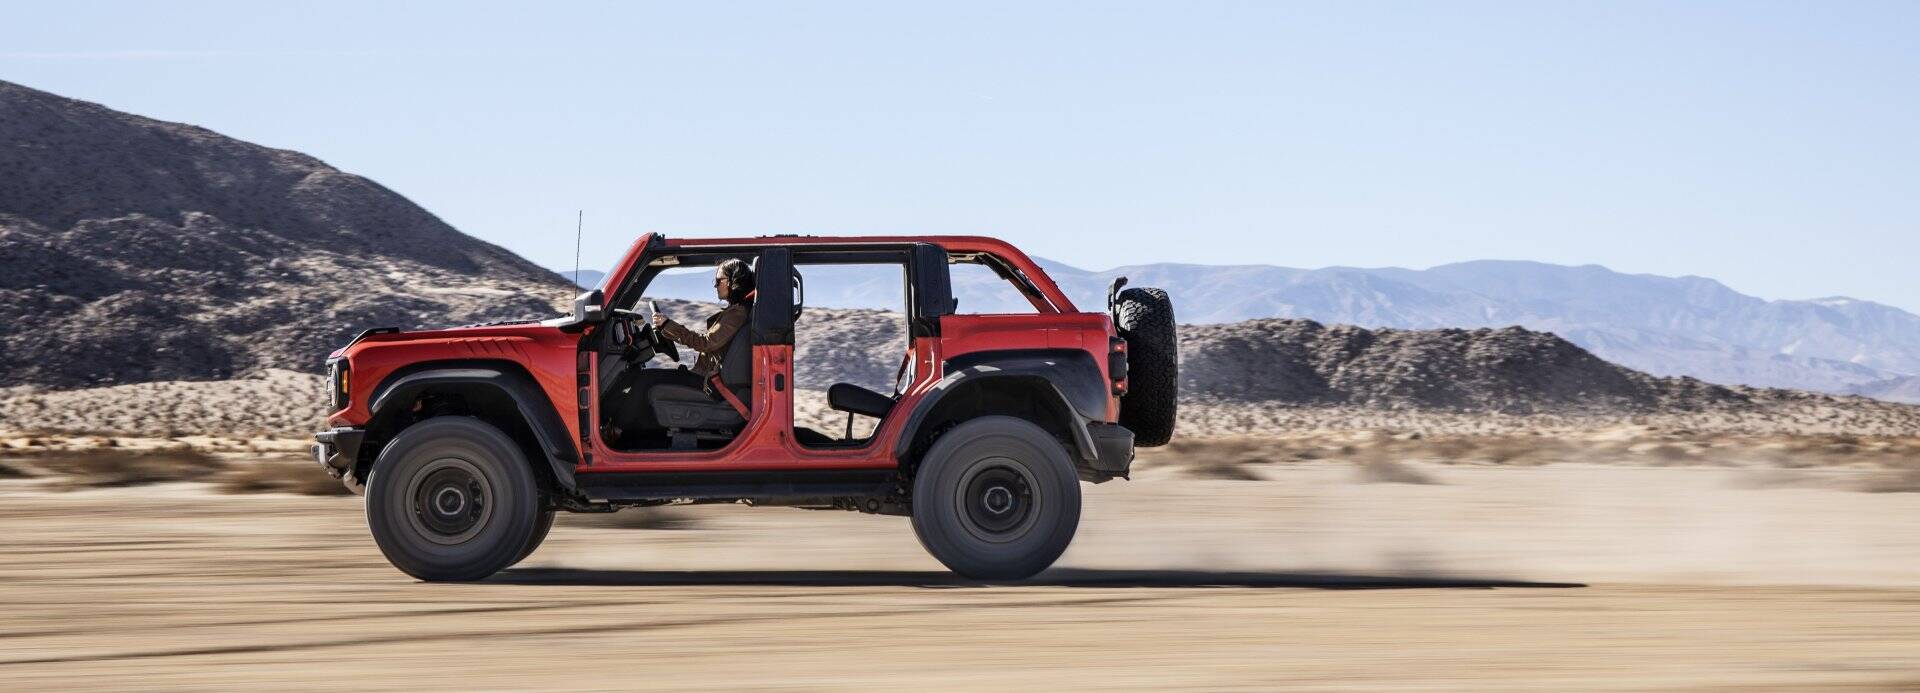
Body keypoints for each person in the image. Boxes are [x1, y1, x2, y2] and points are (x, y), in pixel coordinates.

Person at [606, 259, 755, 446]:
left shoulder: (737, 313)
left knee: (644, 380)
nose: (715, 286)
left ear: (734, 281)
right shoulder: (738, 312)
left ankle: (614, 432)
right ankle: (630, 438)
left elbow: (705, 343)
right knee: (646, 380)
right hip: (708, 379)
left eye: (719, 281)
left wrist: (669, 326)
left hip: (709, 384)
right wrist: (668, 329)